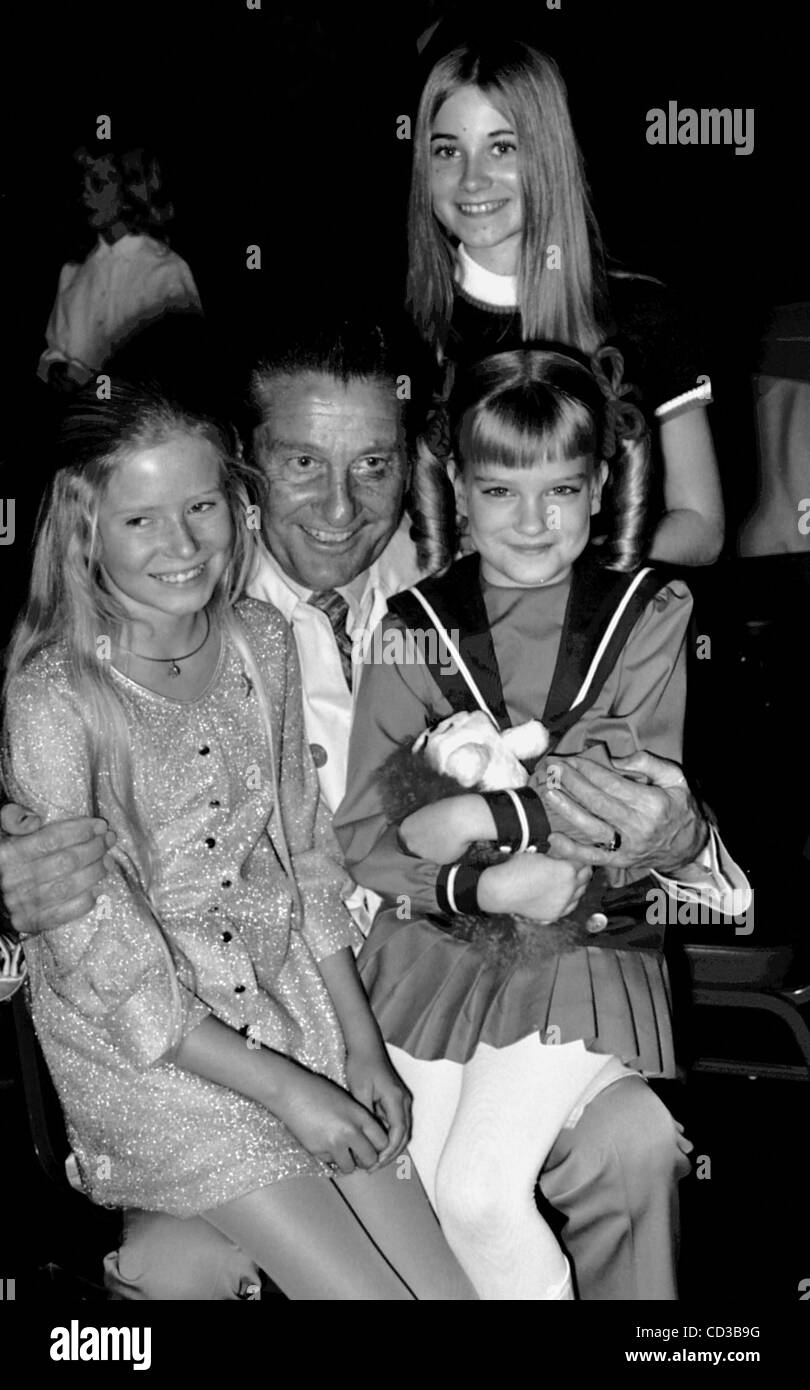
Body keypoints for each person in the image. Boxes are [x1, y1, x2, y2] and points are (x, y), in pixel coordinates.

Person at [0, 319, 727, 1300]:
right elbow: (70, 886)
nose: (340, 506)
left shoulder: (484, 574)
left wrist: (678, 839)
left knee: (628, 1144)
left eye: (374, 462)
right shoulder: (107, 643)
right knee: (202, 1265)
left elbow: (646, 801)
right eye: (304, 460)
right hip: (212, 1036)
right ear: (251, 463)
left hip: (474, 994)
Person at [1, 377, 478, 1301]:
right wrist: (291, 1090)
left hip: (294, 1012)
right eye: (141, 520)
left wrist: (360, 1050)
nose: (181, 545)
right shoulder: (57, 698)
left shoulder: (260, 639)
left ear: (237, 504)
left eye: (201, 506)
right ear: (85, 532)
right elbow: (105, 958)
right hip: (158, 1065)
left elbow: (305, 858)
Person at [334, 347, 750, 1299]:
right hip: (435, 949)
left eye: (561, 488)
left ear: (602, 485)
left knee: (479, 1194)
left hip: (581, 949)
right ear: (456, 487)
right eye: (500, 489)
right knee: (424, 1195)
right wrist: (471, 881)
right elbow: (365, 836)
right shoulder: (408, 622)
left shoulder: (644, 612)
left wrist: (479, 811)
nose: (532, 521)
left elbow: (619, 812)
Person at [407, 37, 725, 566]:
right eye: (447, 150)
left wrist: (556, 571)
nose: (472, 178)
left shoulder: (643, 313)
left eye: (502, 147)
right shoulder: (401, 329)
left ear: (549, 154)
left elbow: (702, 527)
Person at [38, 148, 201, 394]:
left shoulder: (166, 270)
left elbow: (185, 367)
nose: (85, 195)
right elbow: (53, 350)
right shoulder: (73, 272)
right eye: (82, 184)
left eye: (98, 184)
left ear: (127, 192)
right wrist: (54, 368)